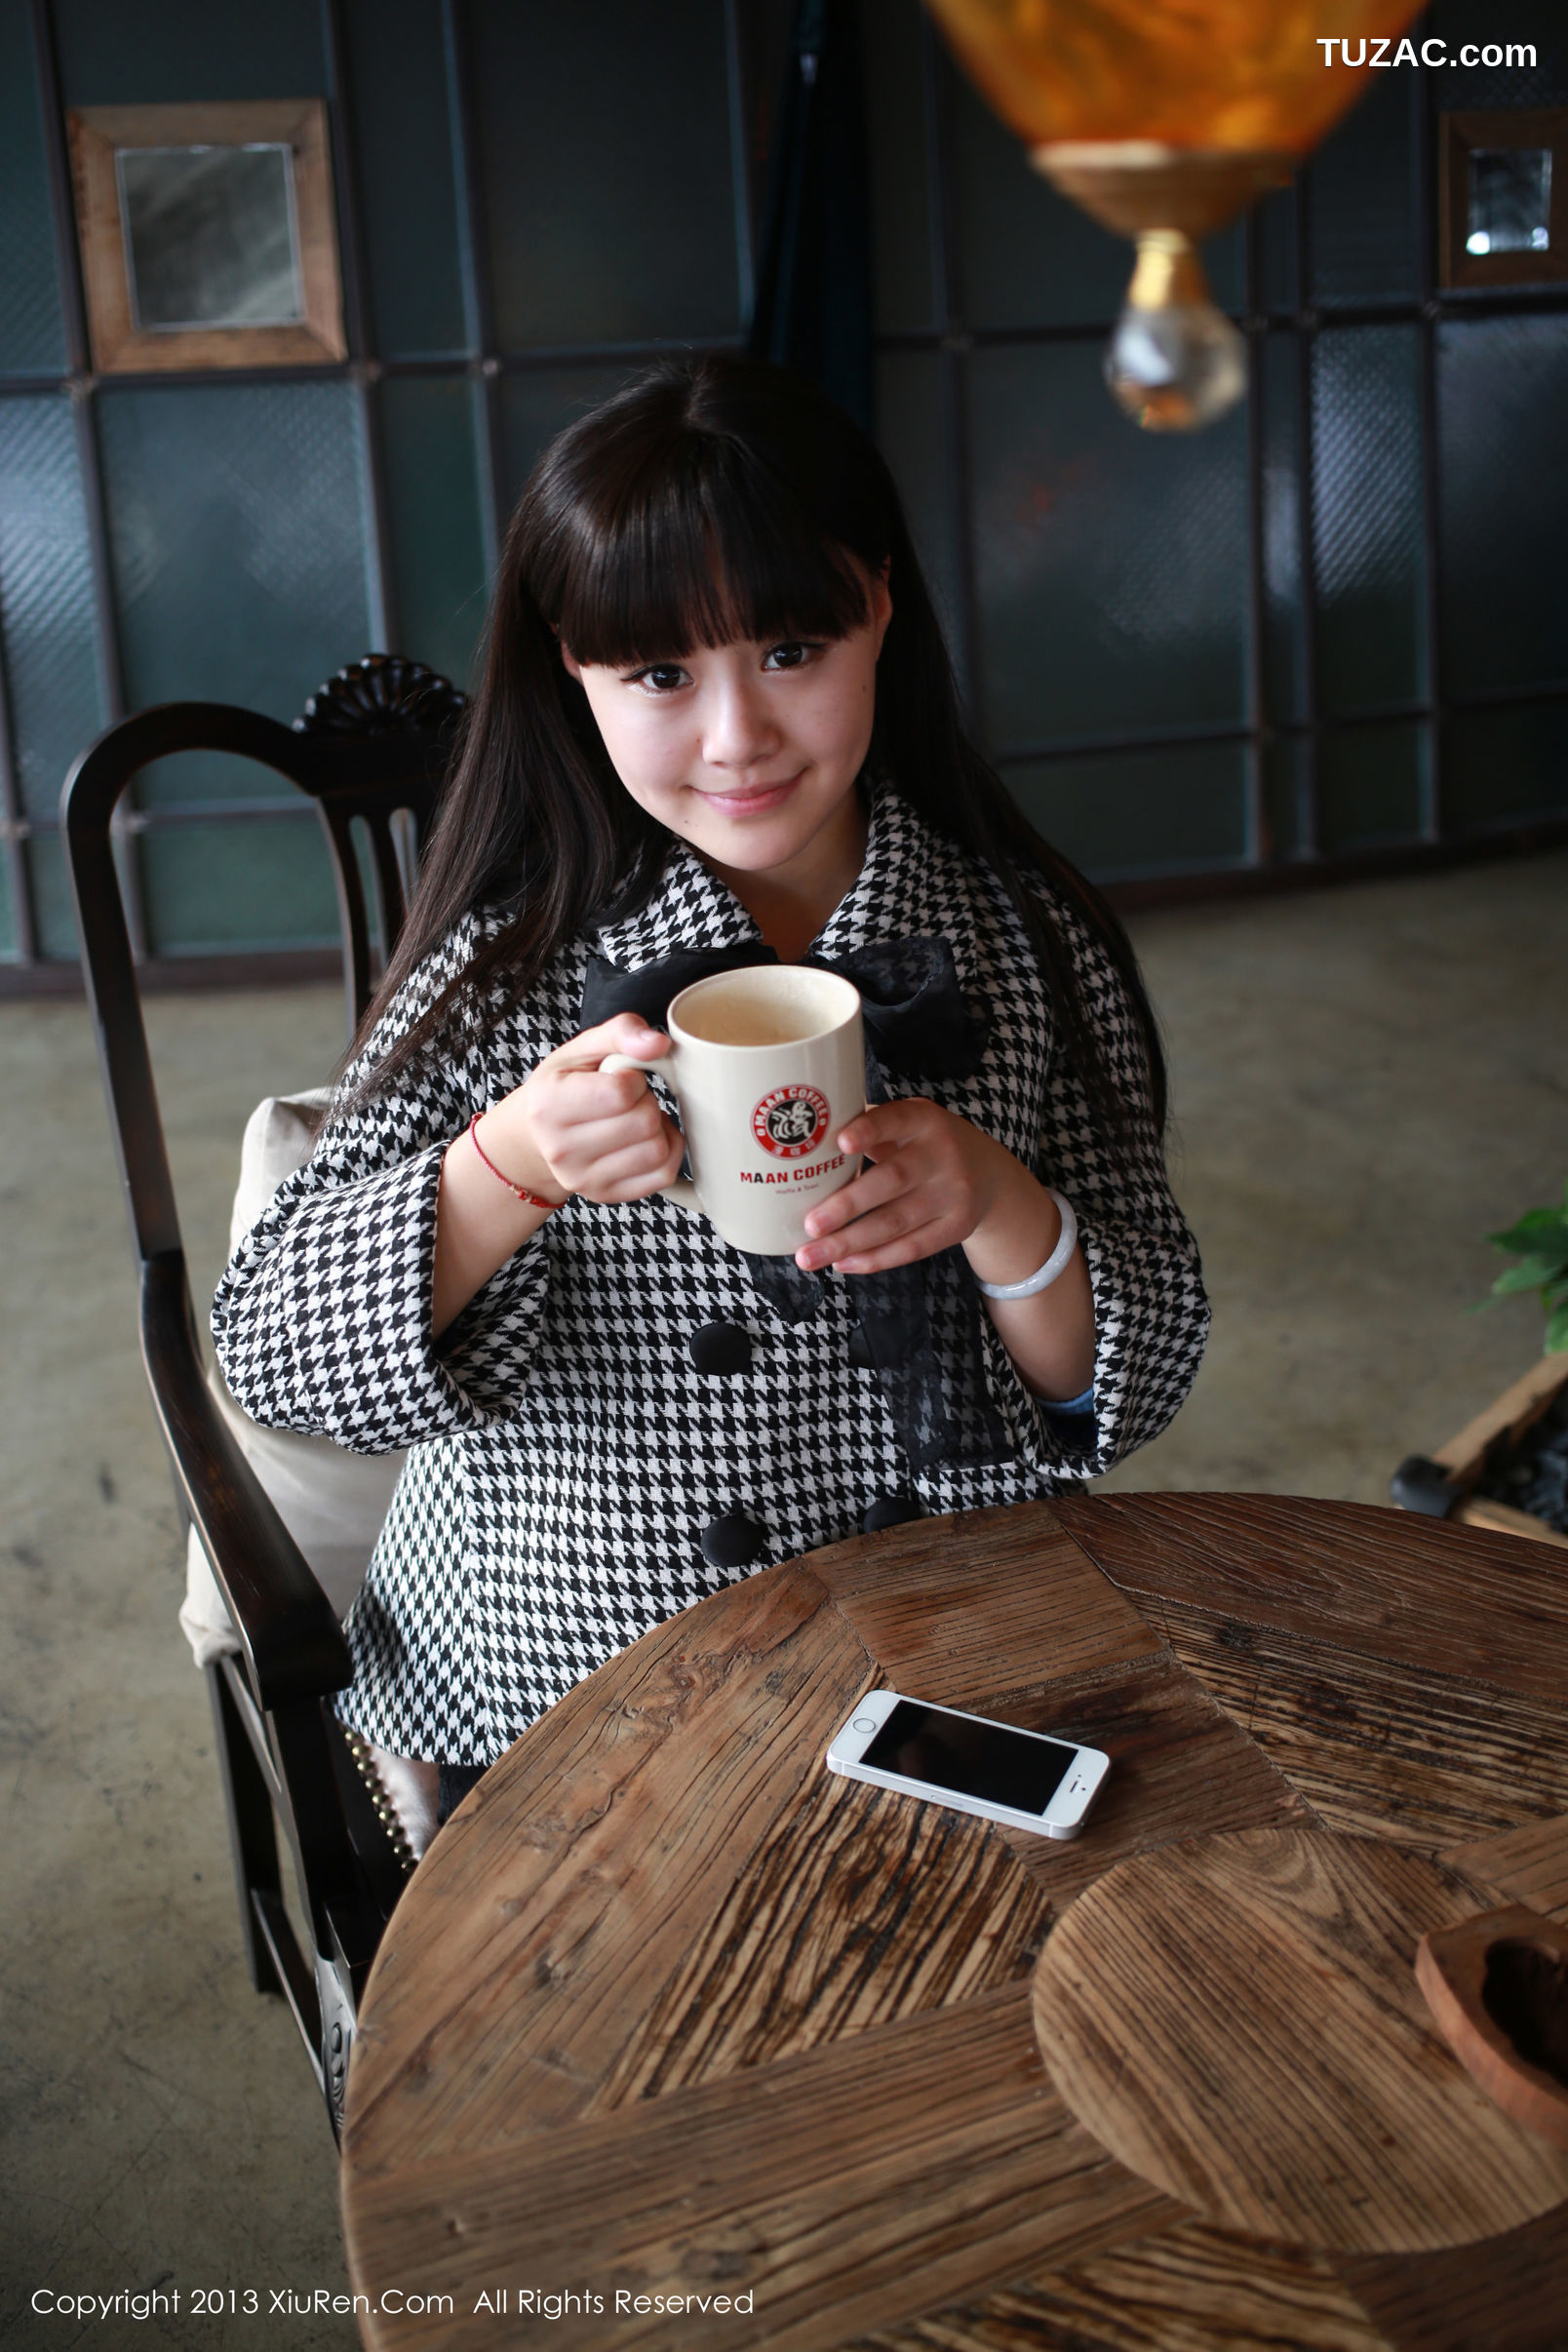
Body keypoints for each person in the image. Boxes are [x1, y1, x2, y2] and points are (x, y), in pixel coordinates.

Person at [213, 353, 1208, 1835]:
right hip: (579, 1666)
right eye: (661, 675)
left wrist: (1004, 1210)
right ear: (574, 666)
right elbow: (275, 1361)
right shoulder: (510, 968)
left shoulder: (1026, 942)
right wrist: (505, 1165)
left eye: (792, 648)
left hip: (943, 1644)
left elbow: (1136, 1380)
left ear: (880, 606)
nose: (737, 736)